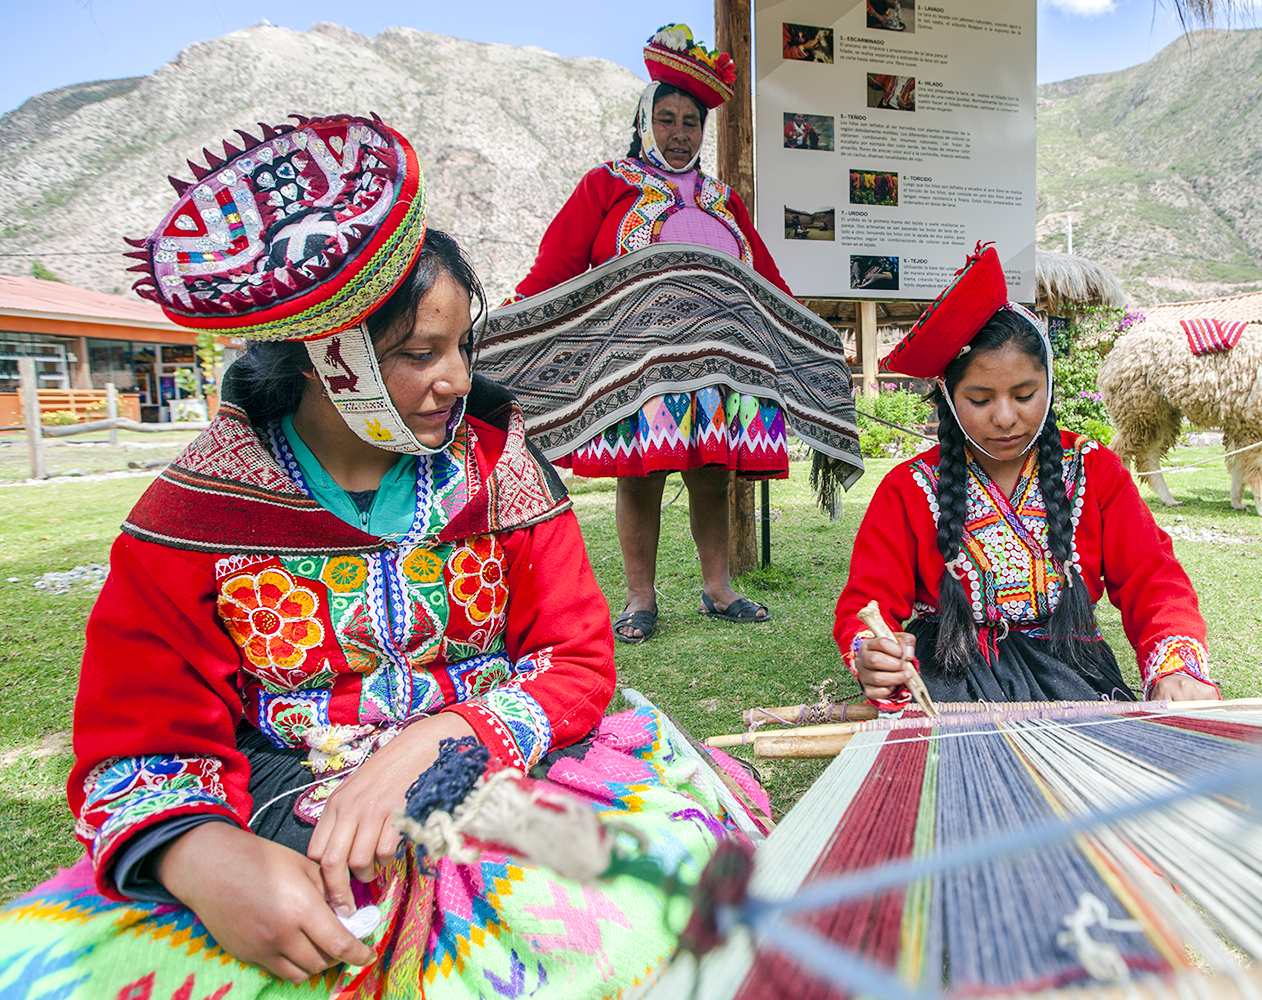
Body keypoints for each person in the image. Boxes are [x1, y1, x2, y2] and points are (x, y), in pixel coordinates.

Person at [0, 114, 760, 999]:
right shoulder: (200, 511)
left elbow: (576, 659)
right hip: (290, 807)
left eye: (461, 346)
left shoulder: (497, 469)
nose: (457, 379)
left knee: (644, 883)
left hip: (502, 777)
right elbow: (138, 738)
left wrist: (443, 736)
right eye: (417, 354)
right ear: (329, 357)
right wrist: (203, 859)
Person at [834, 245, 1222, 707]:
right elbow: (868, 598)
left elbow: (1152, 577)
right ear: (948, 398)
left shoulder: (1093, 469)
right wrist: (870, 650)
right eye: (979, 399)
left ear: (1049, 386)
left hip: (1071, 672)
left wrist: (1175, 666)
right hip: (949, 675)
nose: (1005, 417)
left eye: (1024, 394)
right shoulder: (909, 487)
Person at [509, 25, 795, 644]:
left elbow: (765, 277)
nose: (679, 133)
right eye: (666, 119)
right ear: (646, 120)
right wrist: (517, 326)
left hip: (722, 363)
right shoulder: (607, 185)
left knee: (714, 473)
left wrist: (798, 332)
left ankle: (718, 590)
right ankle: (641, 599)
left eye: (690, 122)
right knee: (640, 473)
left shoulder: (723, 199)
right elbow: (555, 268)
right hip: (639, 362)